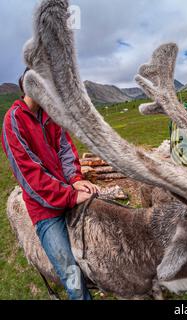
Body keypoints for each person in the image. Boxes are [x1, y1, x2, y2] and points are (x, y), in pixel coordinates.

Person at [1, 68, 98, 300]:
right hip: (45, 209)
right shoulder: (13, 121)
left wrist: (75, 179)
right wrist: (69, 196)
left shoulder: (52, 115)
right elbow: (30, 176)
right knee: (70, 274)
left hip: (66, 191)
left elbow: (65, 150)